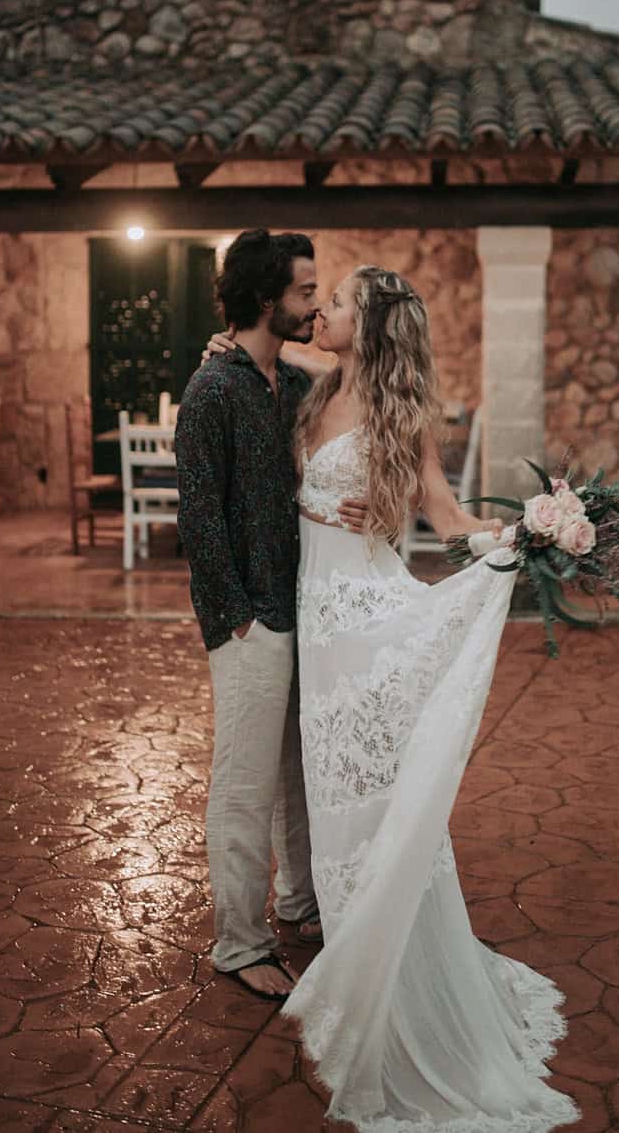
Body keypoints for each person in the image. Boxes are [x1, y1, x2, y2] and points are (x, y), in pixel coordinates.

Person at [206, 263, 580, 1131]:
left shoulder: (396, 417)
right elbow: (270, 354)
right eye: (321, 298)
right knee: (335, 800)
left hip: (367, 627)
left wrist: (529, 529)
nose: (319, 310)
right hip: (318, 622)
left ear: (367, 326)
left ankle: (389, 967)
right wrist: (229, 345)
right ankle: (351, 936)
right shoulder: (314, 381)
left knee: (367, 799)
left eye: (334, 303)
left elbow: (448, 522)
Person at [174, 229, 365, 1002]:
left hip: (301, 608)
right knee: (245, 786)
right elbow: (200, 520)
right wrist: (235, 619)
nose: (316, 304)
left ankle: (298, 903)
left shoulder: (282, 383)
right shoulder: (212, 392)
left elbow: (356, 377)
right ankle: (240, 942)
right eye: (304, 292)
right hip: (250, 620)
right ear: (265, 301)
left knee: (297, 773)